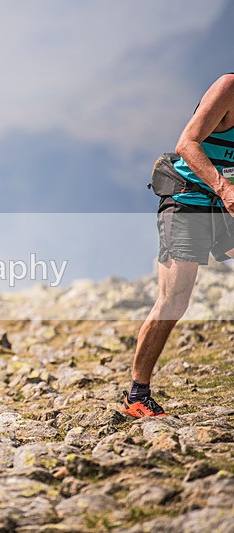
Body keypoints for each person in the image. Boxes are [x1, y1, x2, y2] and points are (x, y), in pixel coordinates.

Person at [123, 73, 234, 418]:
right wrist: (224, 187)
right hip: (189, 198)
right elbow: (187, 143)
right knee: (174, 300)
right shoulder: (229, 87)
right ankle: (136, 395)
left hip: (224, 200)